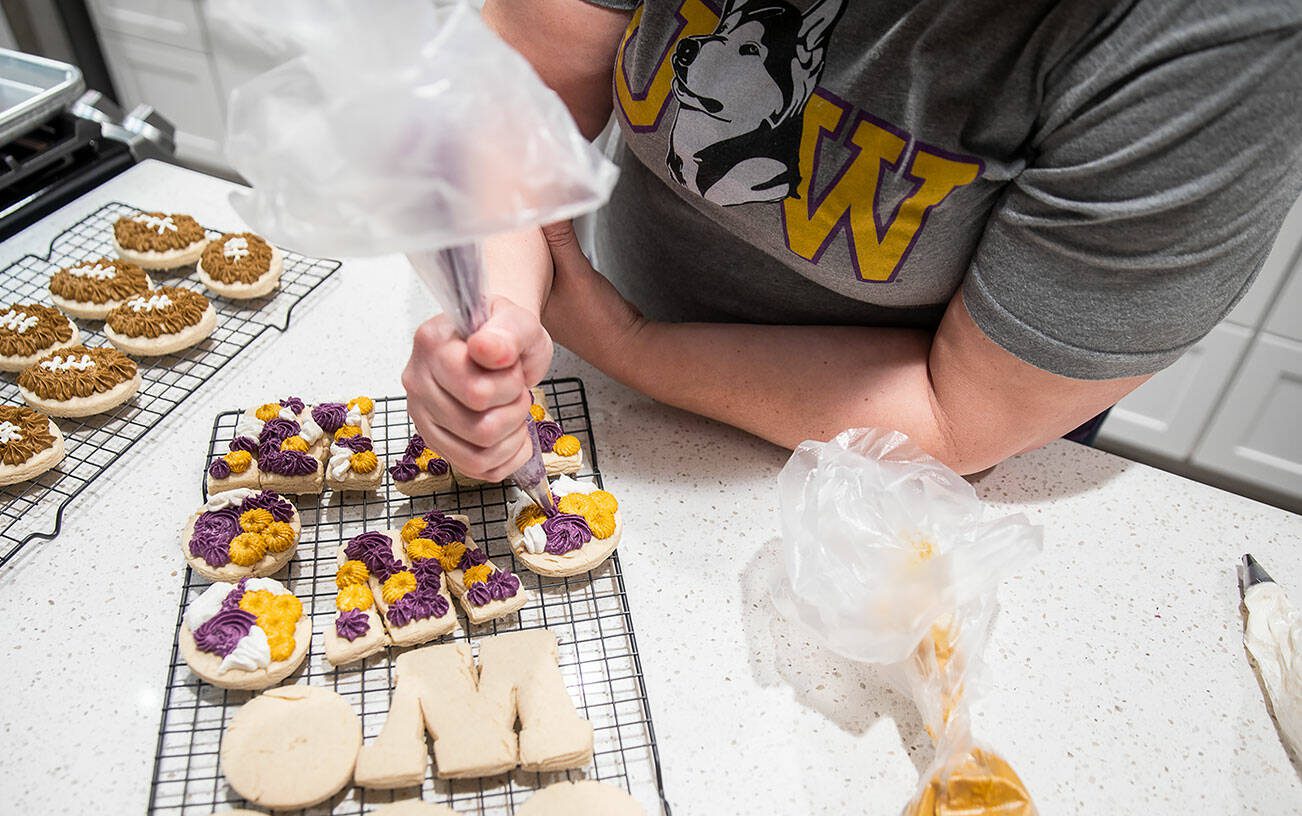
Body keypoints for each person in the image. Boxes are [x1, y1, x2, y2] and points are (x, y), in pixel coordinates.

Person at [402, 0, 1302, 479]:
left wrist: (628, 345)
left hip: (889, 462)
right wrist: (505, 315)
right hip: (611, 361)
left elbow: (963, 415)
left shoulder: (1221, 41)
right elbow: (521, 99)